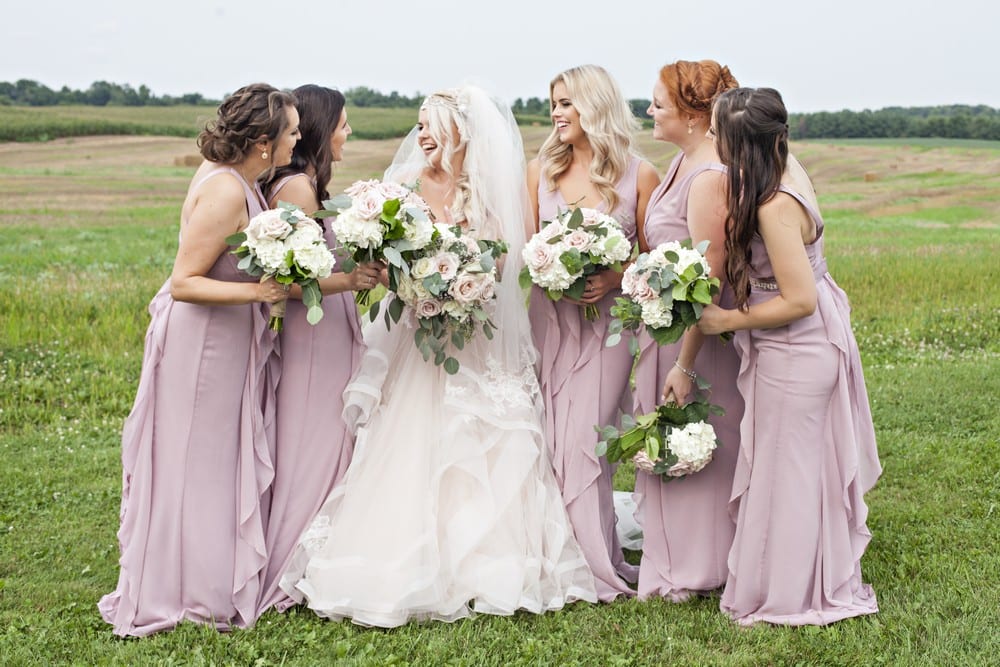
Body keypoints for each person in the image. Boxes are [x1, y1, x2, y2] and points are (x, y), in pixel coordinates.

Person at [278, 84, 598, 628]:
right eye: (420, 124)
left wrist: (464, 280)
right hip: (416, 337)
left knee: (485, 439)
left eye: (429, 124)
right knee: (408, 438)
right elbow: (382, 262)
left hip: (474, 337)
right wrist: (417, 286)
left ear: (458, 131)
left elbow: (504, 263)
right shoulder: (401, 188)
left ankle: (484, 563)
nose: (420, 134)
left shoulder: (490, 190)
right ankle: (402, 560)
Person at [98, 83, 299, 637]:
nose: (298, 139)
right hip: (203, 345)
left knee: (211, 464)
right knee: (194, 464)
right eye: (292, 131)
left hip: (226, 340)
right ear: (264, 141)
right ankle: (181, 591)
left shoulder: (240, 180)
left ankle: (205, 580)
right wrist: (261, 294)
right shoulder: (226, 191)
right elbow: (185, 282)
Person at [697, 87, 881, 625]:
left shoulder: (774, 207)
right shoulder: (783, 167)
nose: (710, 138)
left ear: (740, 143)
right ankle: (797, 574)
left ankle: (791, 592)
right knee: (796, 465)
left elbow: (798, 299)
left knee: (788, 470)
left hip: (798, 349)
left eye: (717, 131)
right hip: (800, 344)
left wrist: (728, 319)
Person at [527, 64, 659, 601]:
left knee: (586, 438)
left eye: (565, 103)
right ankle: (561, 551)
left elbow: (653, 257)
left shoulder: (639, 175)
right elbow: (529, 247)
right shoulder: (542, 171)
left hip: (609, 325)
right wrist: (550, 273)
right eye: (553, 104)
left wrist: (613, 275)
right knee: (553, 434)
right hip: (552, 321)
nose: (556, 114)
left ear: (594, 107)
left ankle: (593, 563)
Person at [256, 84, 383, 616]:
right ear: (320, 128)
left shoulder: (309, 185)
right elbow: (285, 282)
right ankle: (286, 568)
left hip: (327, 329)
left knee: (330, 445)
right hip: (312, 339)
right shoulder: (296, 190)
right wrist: (349, 280)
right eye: (343, 124)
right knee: (311, 446)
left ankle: (313, 562)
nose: (348, 133)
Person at [630, 60, 744, 602]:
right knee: (669, 438)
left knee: (698, 440)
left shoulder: (709, 178)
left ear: (695, 114)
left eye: (658, 102)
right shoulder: (680, 162)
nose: (649, 110)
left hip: (697, 343)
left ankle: (699, 565)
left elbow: (711, 283)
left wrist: (684, 363)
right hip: (667, 334)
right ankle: (673, 552)